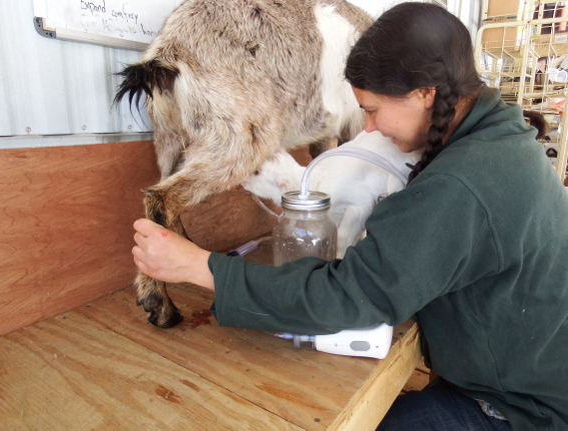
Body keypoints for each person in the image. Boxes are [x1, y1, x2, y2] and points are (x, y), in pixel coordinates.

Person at [132, 3, 568, 430]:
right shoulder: (499, 136)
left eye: (374, 110)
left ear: (425, 93)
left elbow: (347, 297)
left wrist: (197, 266)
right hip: (518, 376)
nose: (370, 127)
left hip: (516, 409)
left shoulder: (464, 181)